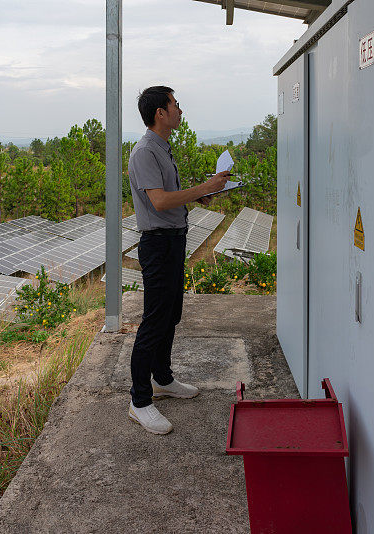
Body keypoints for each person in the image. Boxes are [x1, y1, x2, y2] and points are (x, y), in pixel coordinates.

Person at [126, 86, 230, 435]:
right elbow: (158, 202)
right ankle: (139, 401)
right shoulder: (144, 152)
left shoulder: (161, 149)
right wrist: (205, 187)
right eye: (176, 105)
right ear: (160, 112)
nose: (180, 110)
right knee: (154, 321)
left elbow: (171, 198)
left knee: (171, 315)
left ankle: (163, 379)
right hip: (157, 245)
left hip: (173, 241)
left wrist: (204, 194)